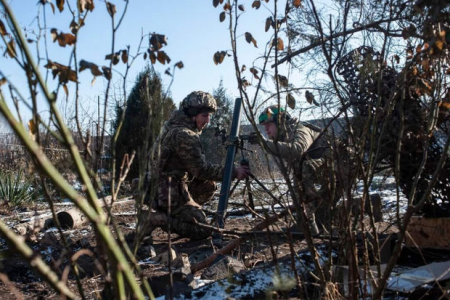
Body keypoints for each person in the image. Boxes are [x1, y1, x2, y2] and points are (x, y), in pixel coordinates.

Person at [136, 91, 250, 245]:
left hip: (160, 187)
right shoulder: (185, 135)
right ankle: (157, 218)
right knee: (202, 230)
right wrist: (234, 172)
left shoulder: (171, 127)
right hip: (167, 193)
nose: (208, 121)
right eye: (204, 116)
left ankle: (184, 214)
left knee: (208, 186)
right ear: (192, 114)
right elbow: (201, 170)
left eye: (209, 116)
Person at [249, 105, 330, 235]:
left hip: (341, 166)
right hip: (325, 170)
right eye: (264, 125)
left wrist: (265, 143)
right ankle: (305, 224)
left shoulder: (300, 129)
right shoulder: (283, 137)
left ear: (280, 122)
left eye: (269, 124)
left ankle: (308, 224)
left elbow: (297, 150)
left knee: (304, 170)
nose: (266, 129)